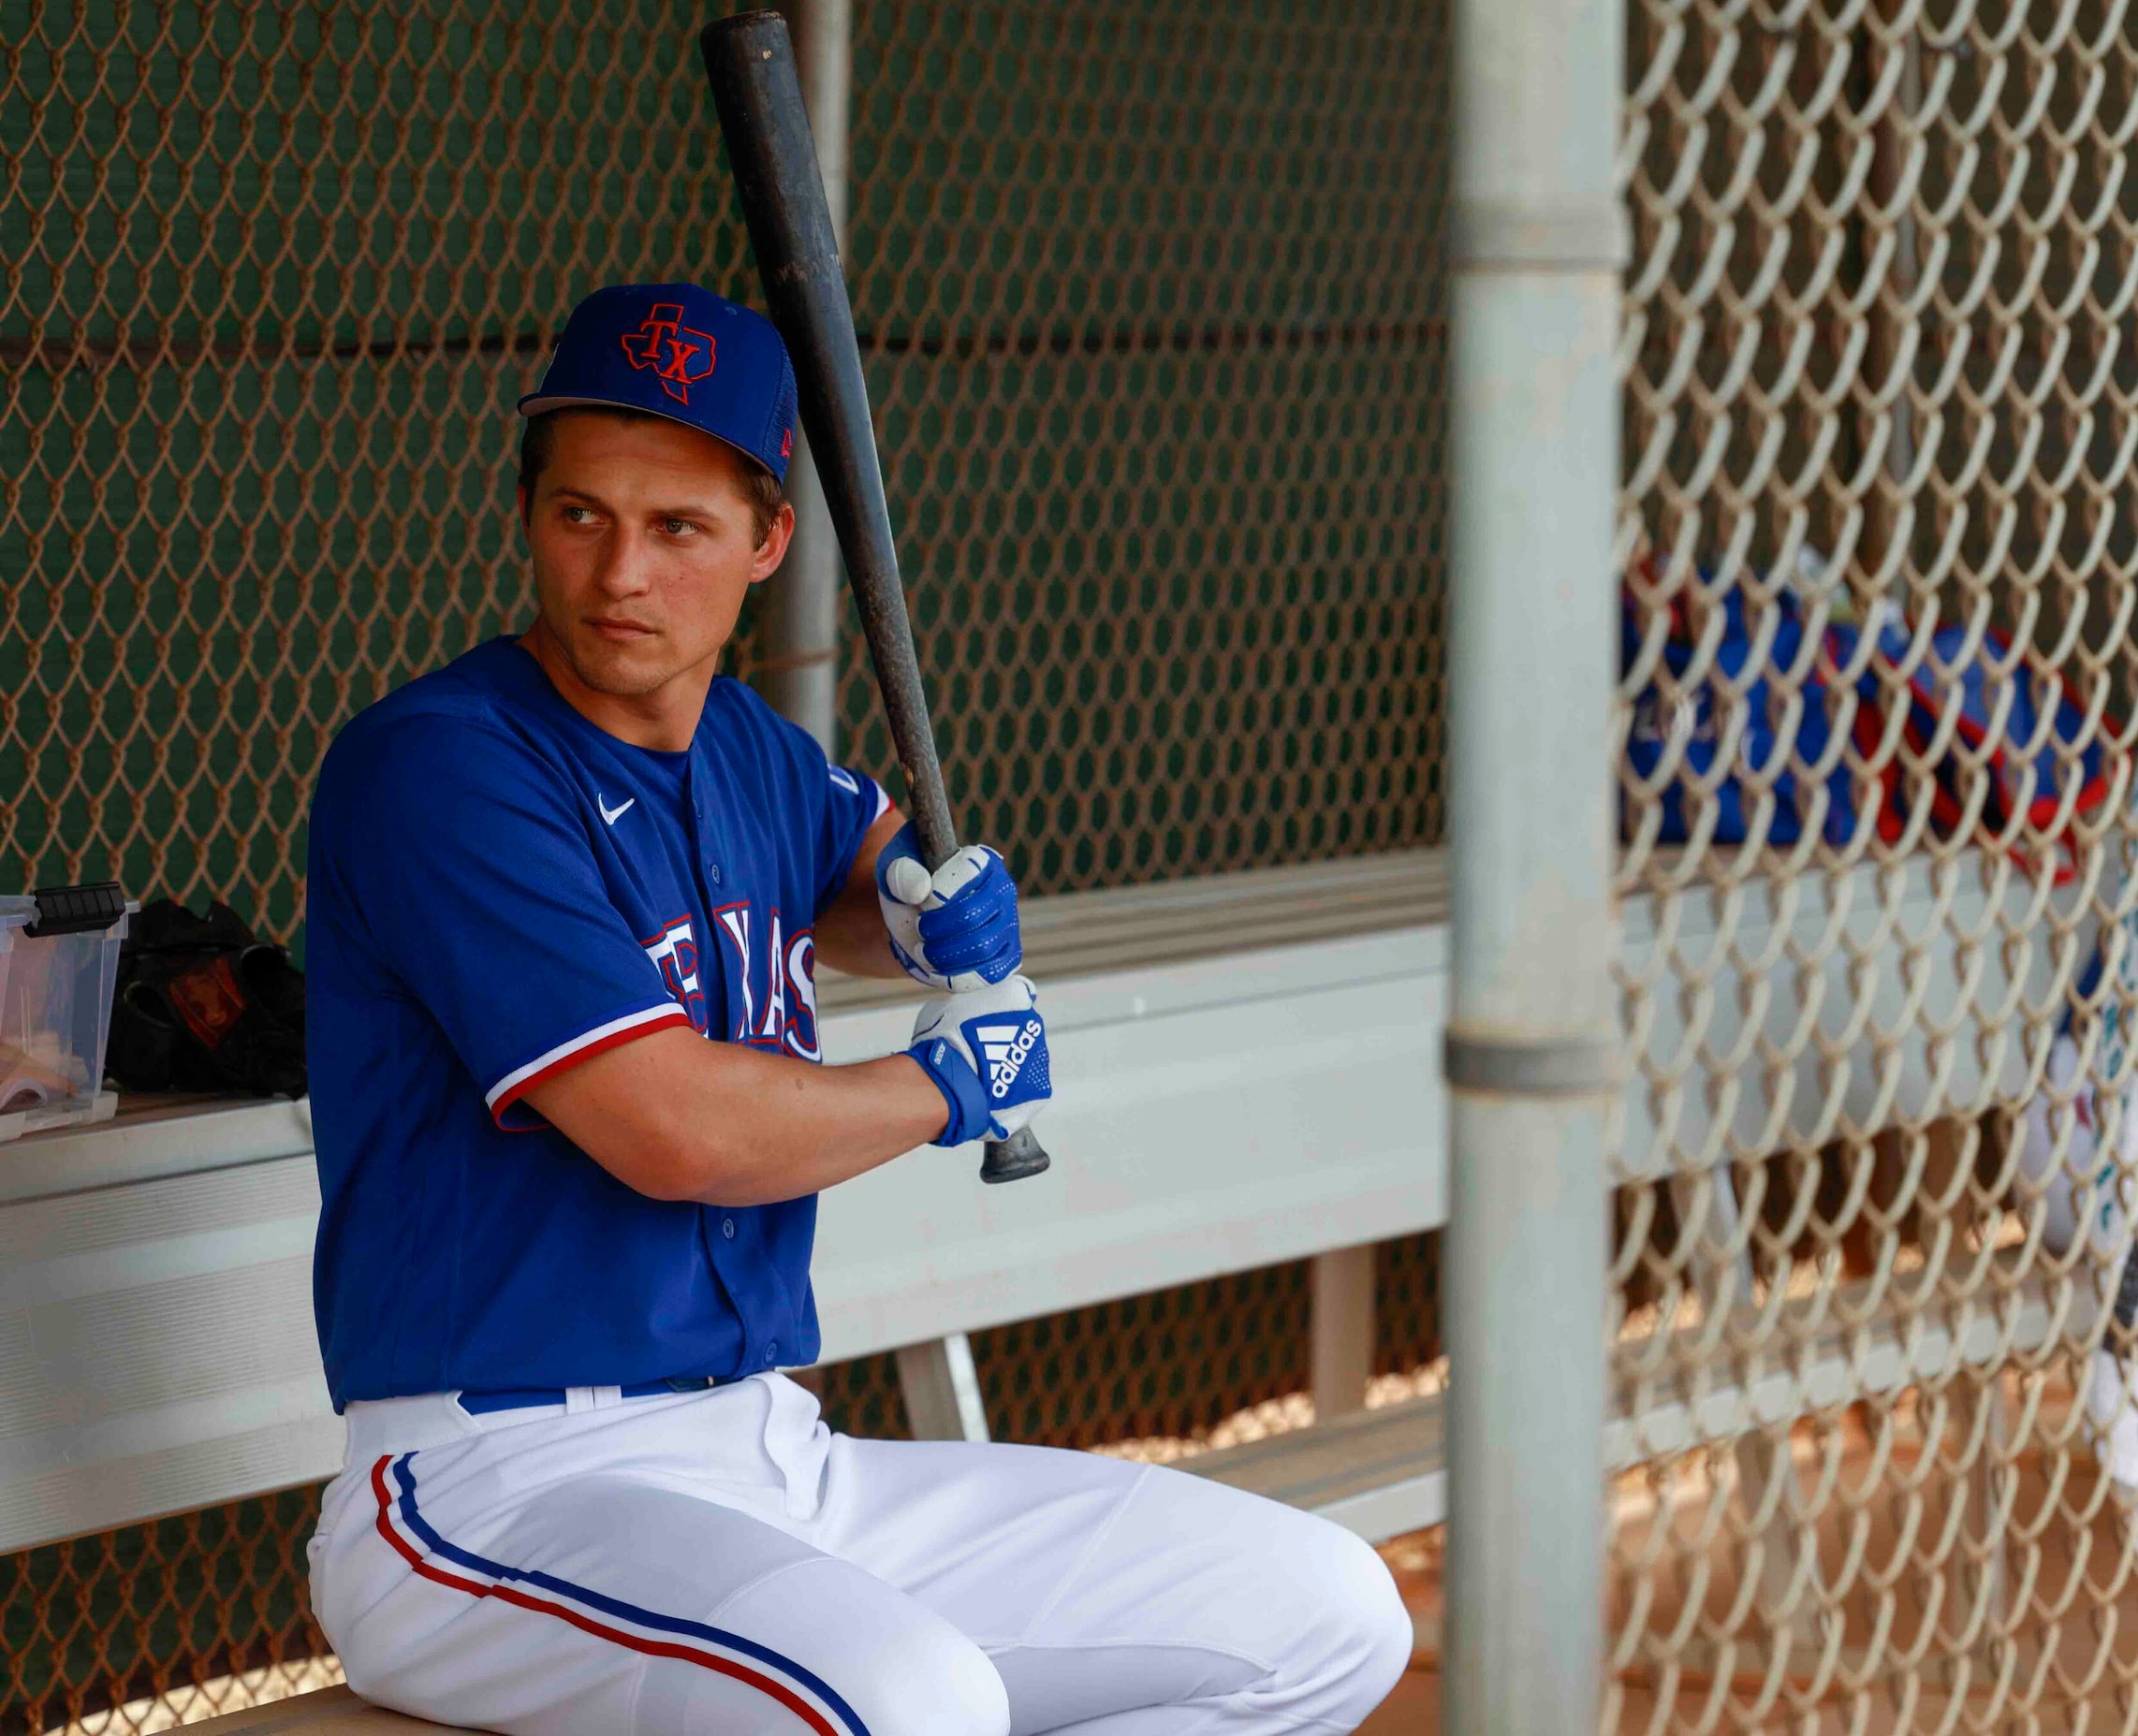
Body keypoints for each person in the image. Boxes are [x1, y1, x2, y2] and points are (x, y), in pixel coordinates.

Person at [299, 283, 1411, 1736]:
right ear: (530, 514)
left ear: (766, 541)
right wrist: (944, 1084)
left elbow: (849, 856)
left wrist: (903, 899)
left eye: (678, 528)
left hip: (771, 1452)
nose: (619, 571)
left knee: (1326, 1614)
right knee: (906, 1703)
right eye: (581, 514)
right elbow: (673, 1127)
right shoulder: (444, 766)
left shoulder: (753, 748)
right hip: (495, 1494)